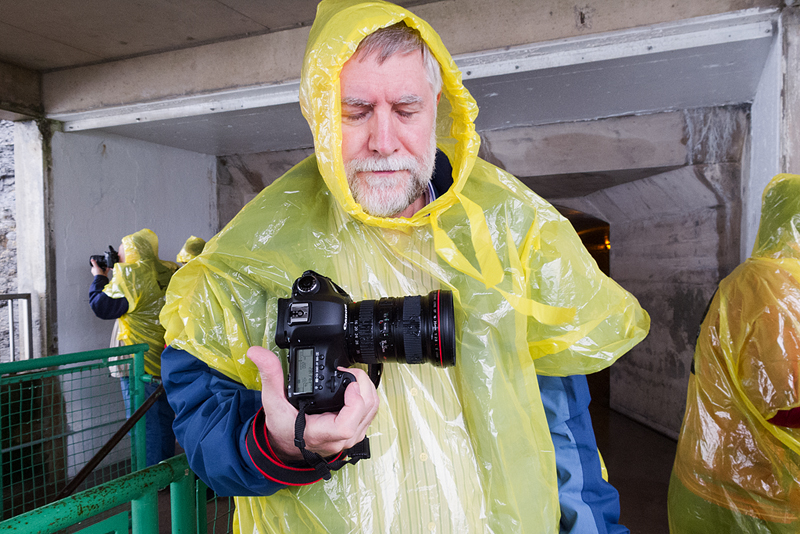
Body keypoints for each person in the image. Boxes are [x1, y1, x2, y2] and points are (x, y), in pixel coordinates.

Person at [160, 1, 650, 532]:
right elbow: (203, 433)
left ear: (437, 106)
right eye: (356, 111)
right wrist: (281, 445)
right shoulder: (250, 258)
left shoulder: (508, 235)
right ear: (319, 112)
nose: (384, 140)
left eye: (407, 109)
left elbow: (565, 431)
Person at [668, 173, 800, 533]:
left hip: (728, 479)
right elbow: (784, 401)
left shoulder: (761, 280)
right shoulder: (771, 289)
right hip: (752, 494)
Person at [89, 228, 179, 467]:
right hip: (162, 358)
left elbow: (102, 306)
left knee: (143, 424)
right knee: (161, 419)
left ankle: (150, 477)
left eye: (121, 251)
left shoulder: (131, 277)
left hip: (137, 364)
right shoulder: (165, 271)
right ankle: (164, 470)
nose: (118, 256)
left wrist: (99, 276)